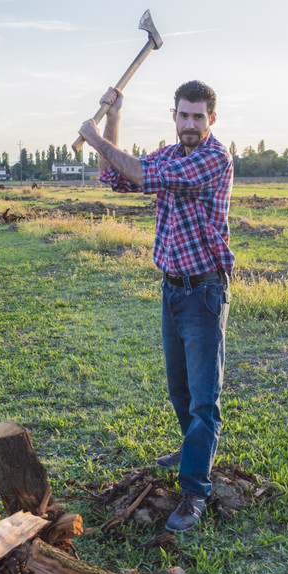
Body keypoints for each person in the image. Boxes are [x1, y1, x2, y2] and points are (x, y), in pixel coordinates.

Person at [78, 80, 234, 532]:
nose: (190, 123)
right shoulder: (169, 153)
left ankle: (195, 490)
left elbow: (144, 177)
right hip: (172, 288)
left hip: (204, 290)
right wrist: (113, 116)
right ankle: (191, 449)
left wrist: (93, 137)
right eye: (183, 115)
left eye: (198, 116)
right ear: (174, 116)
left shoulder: (213, 158)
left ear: (211, 120)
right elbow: (116, 176)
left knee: (205, 399)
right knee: (180, 389)